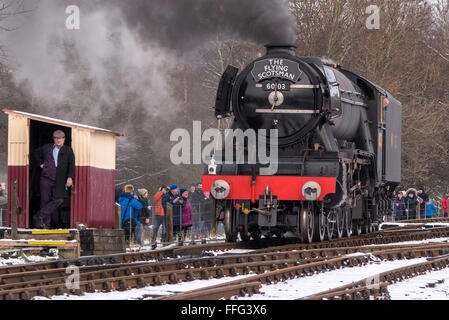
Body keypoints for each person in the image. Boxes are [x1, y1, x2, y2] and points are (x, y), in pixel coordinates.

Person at [33, 130, 75, 229]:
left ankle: (40, 215)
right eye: (56, 138)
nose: (58, 140)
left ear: (64, 139)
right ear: (54, 139)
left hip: (60, 180)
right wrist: (41, 164)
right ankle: (45, 225)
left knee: (59, 199)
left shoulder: (68, 150)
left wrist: (70, 177)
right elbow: (35, 153)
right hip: (46, 178)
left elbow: (71, 165)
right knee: (45, 201)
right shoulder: (47, 148)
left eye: (60, 138)